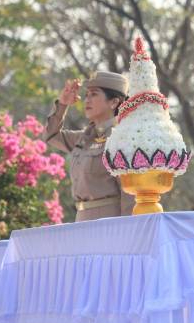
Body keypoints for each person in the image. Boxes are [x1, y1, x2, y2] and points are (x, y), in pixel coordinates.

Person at [43, 71, 133, 222]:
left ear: (114, 102)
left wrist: (127, 229)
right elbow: (51, 136)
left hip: (110, 222)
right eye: (86, 95)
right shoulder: (84, 137)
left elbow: (129, 193)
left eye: (94, 94)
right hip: (82, 220)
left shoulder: (121, 138)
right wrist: (63, 104)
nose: (87, 100)